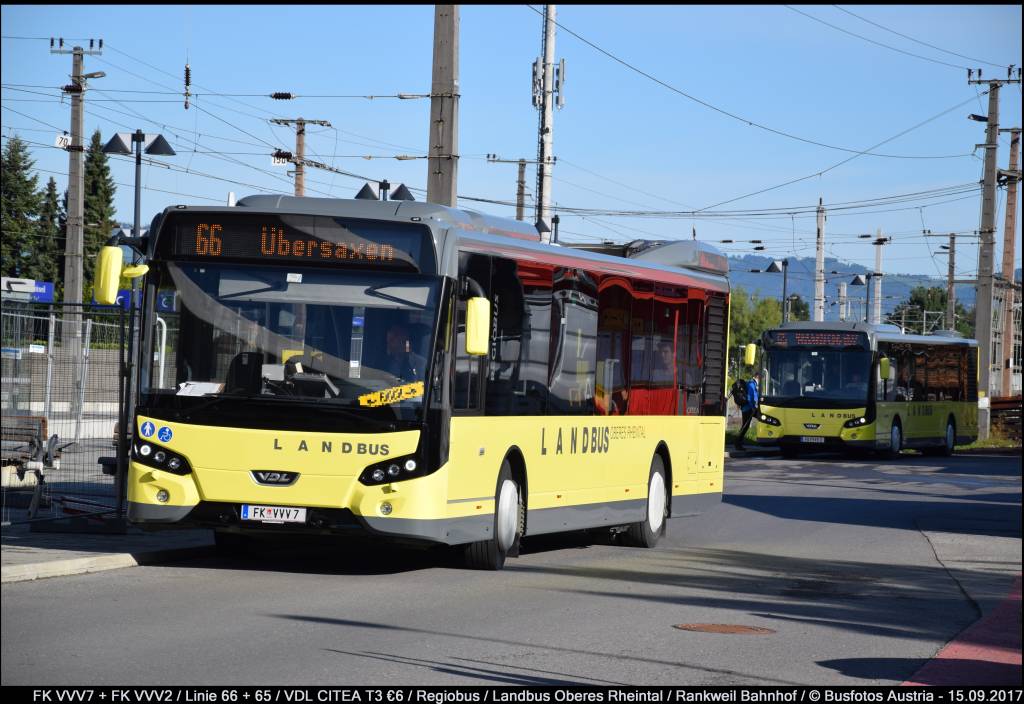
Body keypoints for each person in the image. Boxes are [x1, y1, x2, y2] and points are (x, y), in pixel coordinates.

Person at [735, 371, 760, 451]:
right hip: (748, 408)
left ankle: (738, 443)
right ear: (757, 377)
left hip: (749, 408)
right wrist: (753, 407)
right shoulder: (751, 384)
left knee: (745, 426)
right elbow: (750, 398)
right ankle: (738, 444)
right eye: (760, 378)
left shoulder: (753, 384)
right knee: (745, 426)